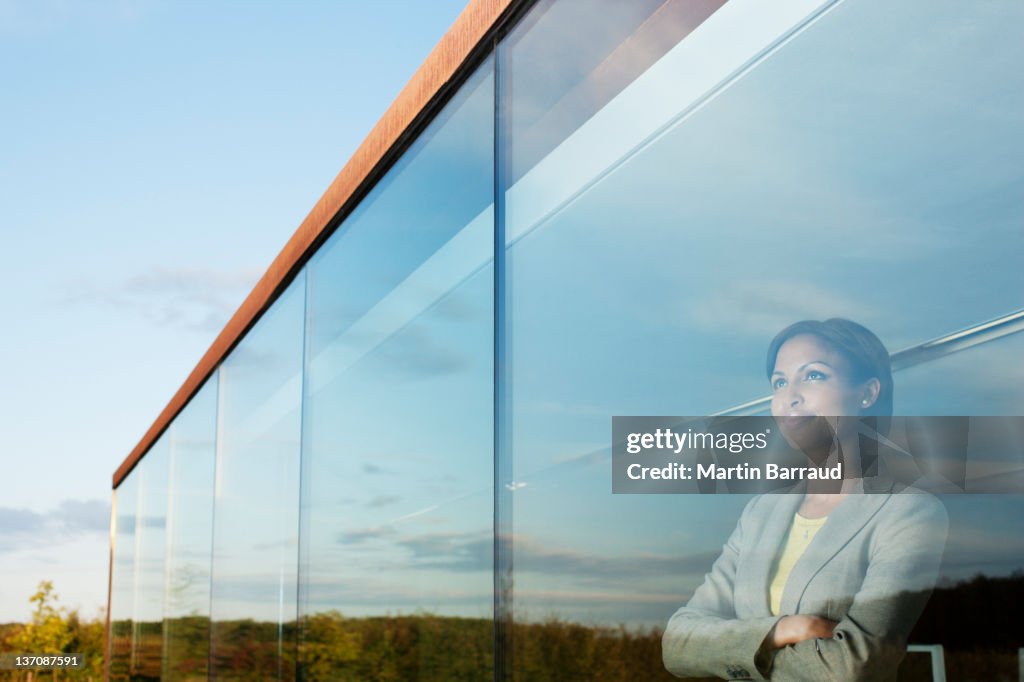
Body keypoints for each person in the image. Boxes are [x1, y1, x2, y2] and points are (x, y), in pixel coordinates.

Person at [662, 319, 948, 681]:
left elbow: (850, 668)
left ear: (868, 393)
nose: (789, 395)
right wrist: (783, 630)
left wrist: (731, 650)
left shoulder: (908, 513)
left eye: (813, 375)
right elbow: (677, 643)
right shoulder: (760, 513)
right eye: (780, 382)